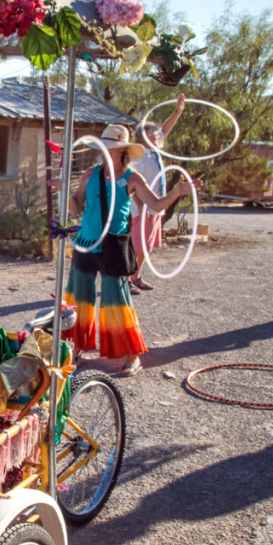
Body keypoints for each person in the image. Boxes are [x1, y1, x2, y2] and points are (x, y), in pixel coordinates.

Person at [64, 124, 191, 376]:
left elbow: (155, 204)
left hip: (113, 245)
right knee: (80, 298)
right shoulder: (90, 173)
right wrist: (62, 192)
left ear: (122, 150)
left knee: (117, 300)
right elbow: (75, 207)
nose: (108, 151)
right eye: (105, 146)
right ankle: (78, 348)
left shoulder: (131, 178)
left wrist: (178, 191)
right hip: (86, 243)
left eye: (113, 147)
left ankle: (132, 355)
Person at [128, 93, 187, 294]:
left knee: (147, 245)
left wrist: (177, 111)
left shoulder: (153, 152)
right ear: (144, 137)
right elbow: (132, 183)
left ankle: (135, 276)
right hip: (143, 208)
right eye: (154, 135)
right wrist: (142, 205)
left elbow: (166, 129)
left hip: (155, 207)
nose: (158, 137)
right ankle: (127, 279)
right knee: (138, 244)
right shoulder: (139, 155)